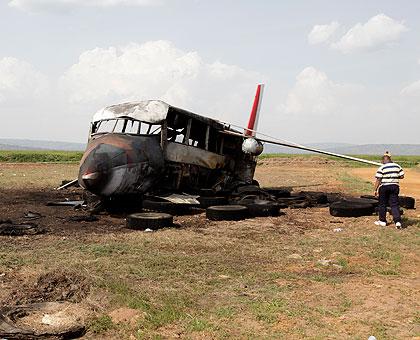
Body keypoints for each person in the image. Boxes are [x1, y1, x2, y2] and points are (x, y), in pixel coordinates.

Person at [374, 152, 405, 229]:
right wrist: (393, 177)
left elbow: (378, 179)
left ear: (384, 160)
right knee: (394, 204)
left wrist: (375, 189)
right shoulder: (397, 166)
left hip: (384, 187)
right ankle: (397, 222)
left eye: (382, 160)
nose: (381, 162)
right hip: (395, 186)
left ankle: (382, 221)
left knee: (382, 204)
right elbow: (402, 176)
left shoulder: (382, 167)